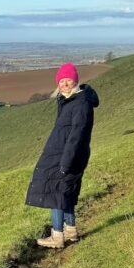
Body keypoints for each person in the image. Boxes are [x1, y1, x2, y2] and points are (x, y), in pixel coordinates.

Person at [25, 62, 99, 249]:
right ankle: (71, 230)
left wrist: (66, 162)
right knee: (65, 192)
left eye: (69, 80)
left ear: (75, 81)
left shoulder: (80, 104)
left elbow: (77, 135)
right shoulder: (68, 101)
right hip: (65, 154)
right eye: (62, 80)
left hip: (68, 156)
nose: (65, 84)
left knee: (56, 193)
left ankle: (57, 236)